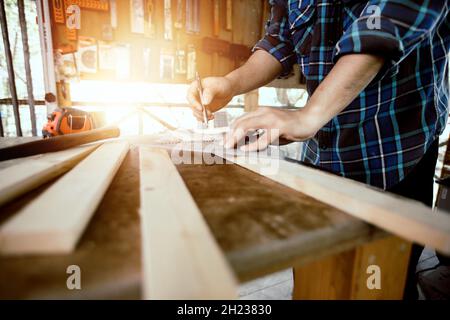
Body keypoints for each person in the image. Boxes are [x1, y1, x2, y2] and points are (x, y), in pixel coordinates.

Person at [187, 1, 449, 299]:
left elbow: (385, 26)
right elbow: (280, 39)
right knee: (315, 283)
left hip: (393, 155)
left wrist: (307, 116)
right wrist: (230, 83)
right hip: (322, 159)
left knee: (378, 286)